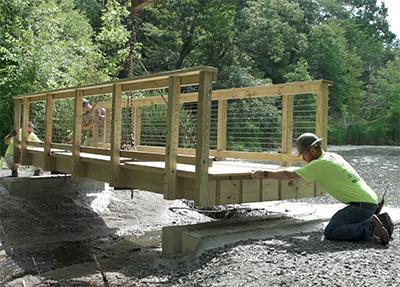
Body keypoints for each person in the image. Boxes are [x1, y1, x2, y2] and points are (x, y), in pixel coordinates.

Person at [251, 132, 393, 245]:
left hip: (361, 205)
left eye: (304, 154)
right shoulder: (332, 156)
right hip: (370, 201)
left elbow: (289, 175)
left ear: (312, 150)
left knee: (331, 231)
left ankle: (370, 227)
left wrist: (265, 173)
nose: (303, 158)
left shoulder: (318, 165)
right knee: (341, 224)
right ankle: (374, 220)